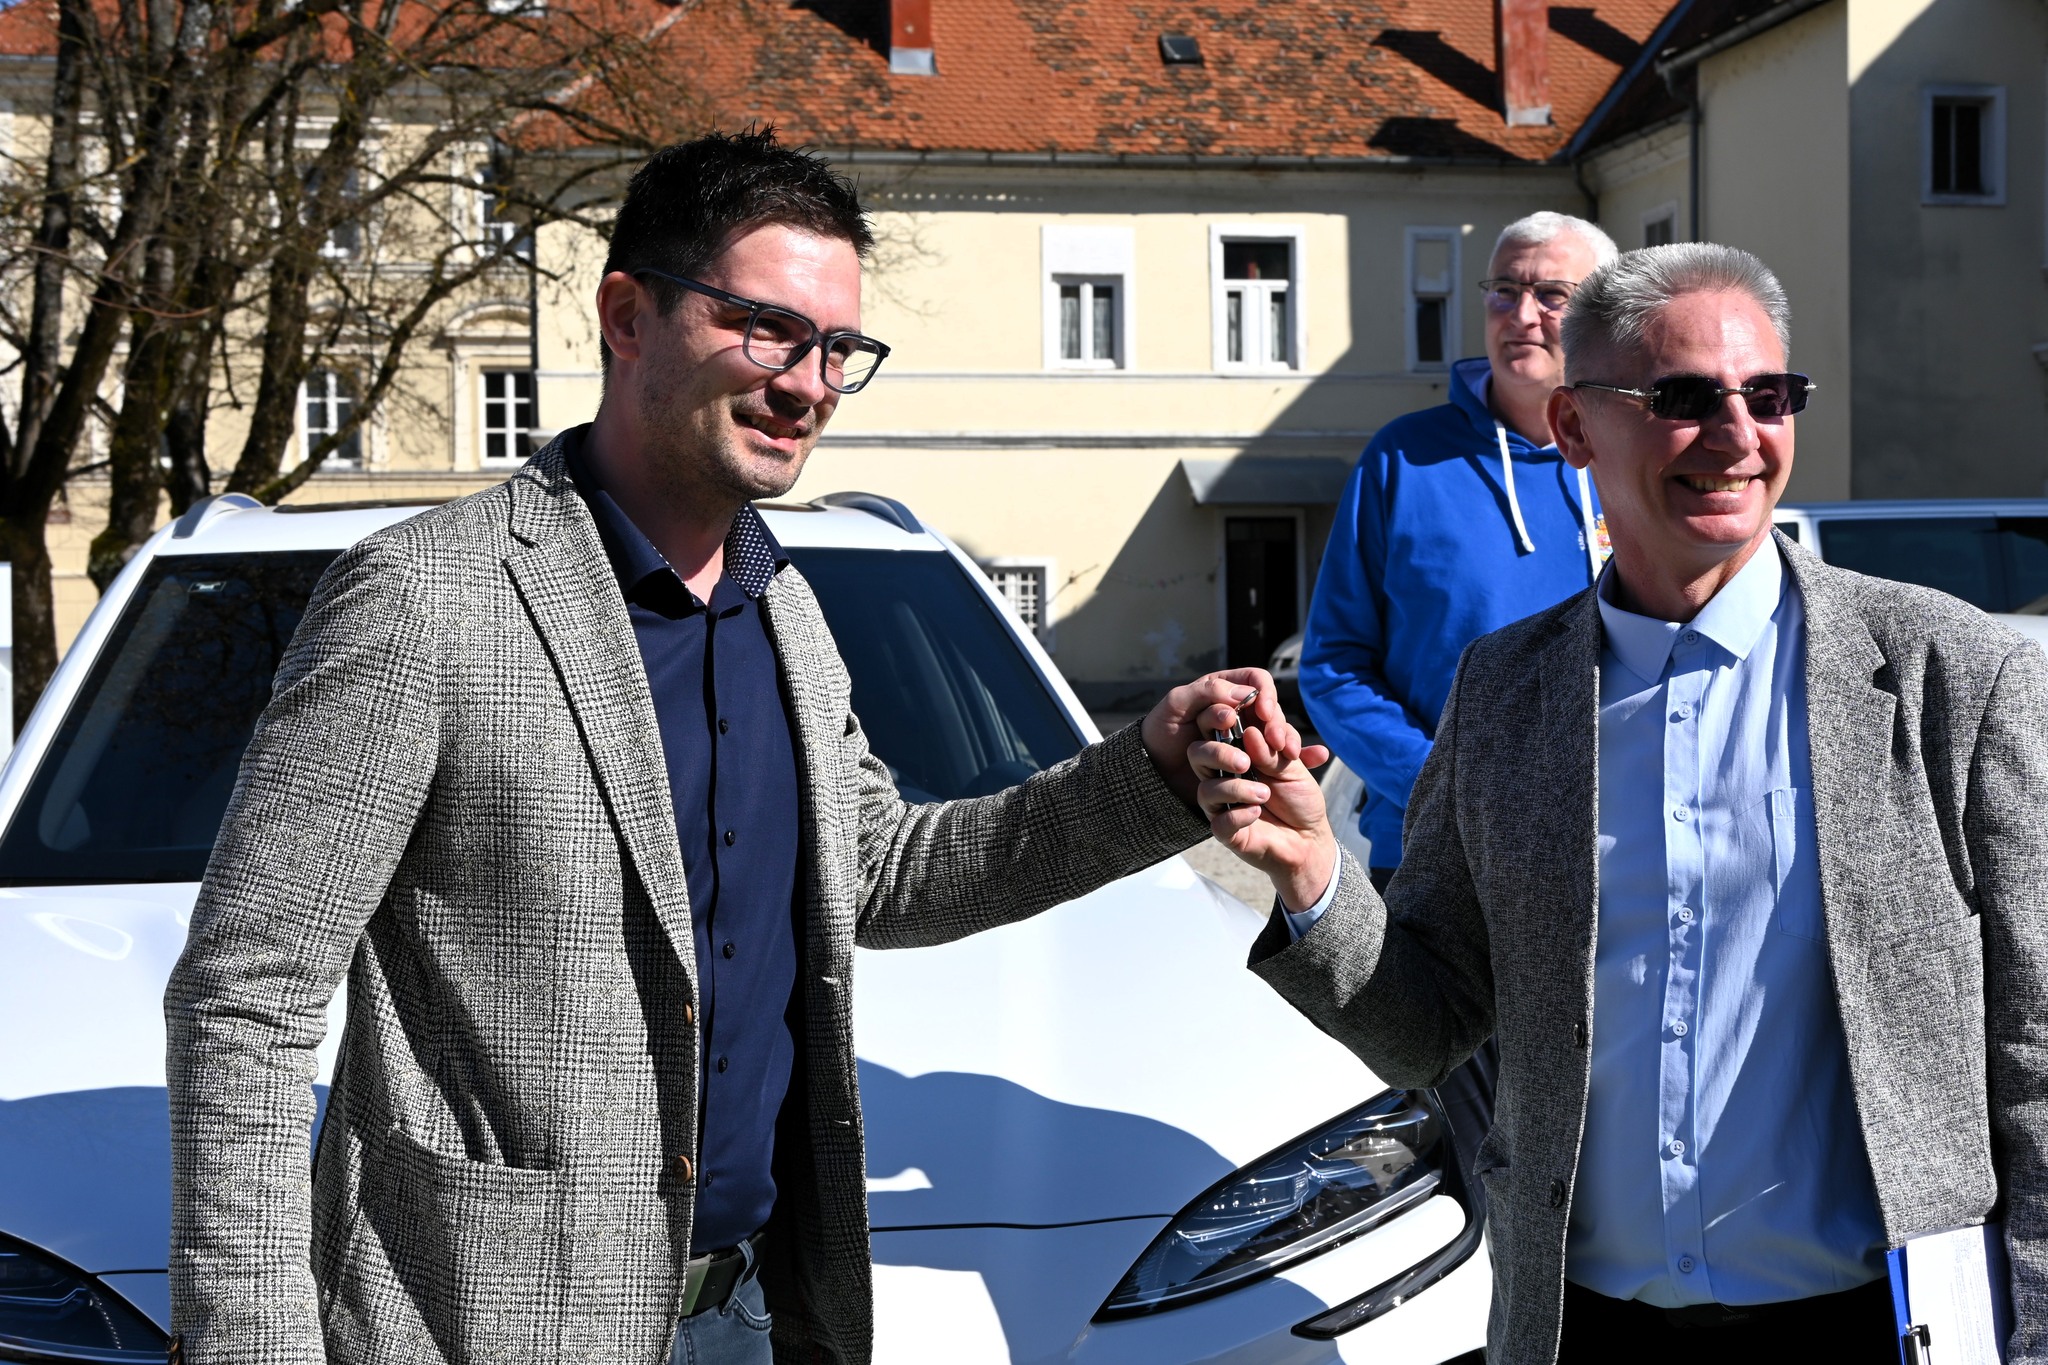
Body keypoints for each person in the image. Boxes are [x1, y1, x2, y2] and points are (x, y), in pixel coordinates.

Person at [162, 130, 1303, 1365]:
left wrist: (1149, 771)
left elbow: (881, 874)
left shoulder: (784, 612)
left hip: (752, 1315)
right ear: (627, 315)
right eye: (766, 328)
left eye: (837, 349)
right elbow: (246, 996)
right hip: (477, 1324)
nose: (808, 384)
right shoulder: (424, 599)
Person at [1199, 243, 2048, 1363]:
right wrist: (1314, 875)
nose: (1737, 436)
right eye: (1683, 400)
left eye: (1767, 396)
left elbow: (2038, 1050)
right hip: (1582, 1329)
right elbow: (1431, 1024)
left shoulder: (1952, 674)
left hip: (1875, 1328)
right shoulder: (1503, 691)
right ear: (1574, 426)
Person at [1302, 210, 1617, 884]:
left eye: (1552, 295)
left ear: (1605, 314)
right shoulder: (1404, 458)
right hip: (1433, 850)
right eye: (1504, 290)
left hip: (1611, 850)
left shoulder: (1634, 458)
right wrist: (1445, 784)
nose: (1521, 315)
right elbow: (1333, 666)